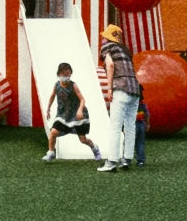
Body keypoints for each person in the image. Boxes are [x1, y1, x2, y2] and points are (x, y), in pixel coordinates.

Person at [97, 24, 142, 172]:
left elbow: (110, 65)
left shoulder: (107, 47)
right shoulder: (126, 50)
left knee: (115, 127)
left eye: (104, 36)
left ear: (107, 37)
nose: (102, 38)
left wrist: (109, 87)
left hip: (120, 88)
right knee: (130, 126)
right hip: (135, 89)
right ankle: (126, 159)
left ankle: (111, 162)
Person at [42, 62, 102, 162]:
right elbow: (52, 97)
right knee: (53, 132)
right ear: (59, 75)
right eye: (64, 75)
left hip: (76, 115)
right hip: (63, 114)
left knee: (83, 139)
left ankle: (95, 148)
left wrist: (80, 110)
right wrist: (48, 109)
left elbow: (82, 99)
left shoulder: (73, 85)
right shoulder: (57, 85)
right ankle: (51, 152)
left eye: (68, 74)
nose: (66, 77)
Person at [135, 85, 150, 167]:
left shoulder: (131, 102)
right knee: (140, 143)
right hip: (141, 124)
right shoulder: (142, 103)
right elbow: (147, 114)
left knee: (128, 142)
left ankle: (126, 159)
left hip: (133, 124)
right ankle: (140, 161)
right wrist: (147, 124)